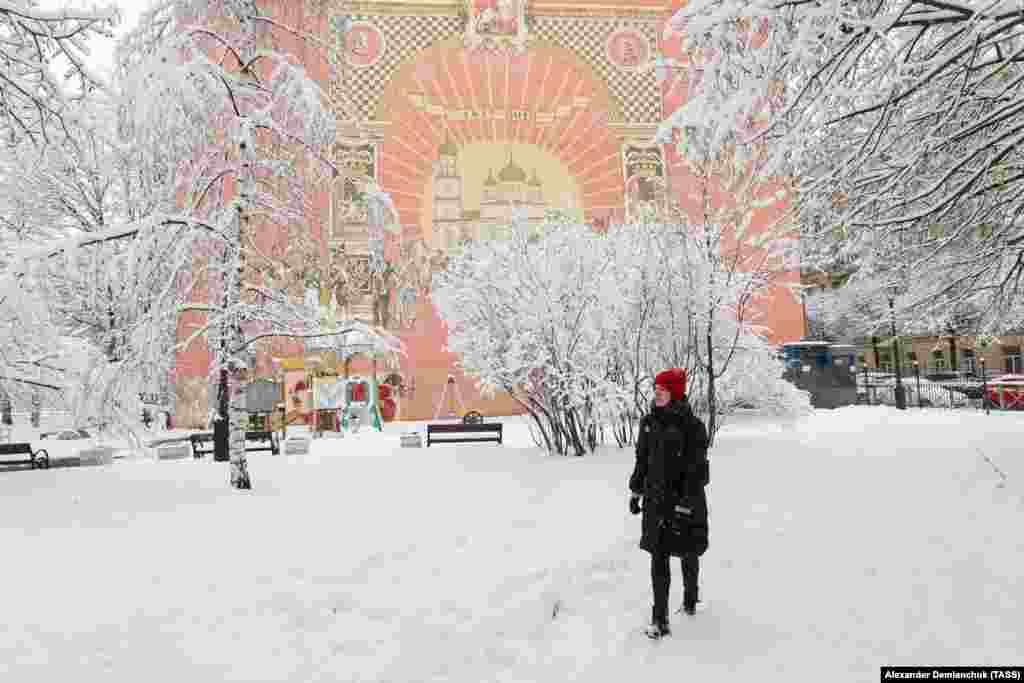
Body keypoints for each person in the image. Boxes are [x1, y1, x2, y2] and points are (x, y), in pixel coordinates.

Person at [628, 367, 710, 639]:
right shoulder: (648, 423)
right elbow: (642, 460)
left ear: (674, 392)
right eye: (656, 390)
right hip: (655, 502)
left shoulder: (693, 427)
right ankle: (659, 619)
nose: (657, 394)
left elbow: (697, 470)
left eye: (662, 390)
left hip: (684, 501)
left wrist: (686, 503)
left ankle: (690, 600)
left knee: (688, 553)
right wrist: (636, 491)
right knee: (658, 557)